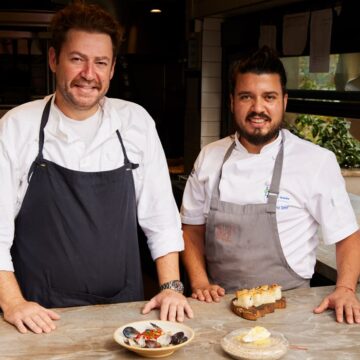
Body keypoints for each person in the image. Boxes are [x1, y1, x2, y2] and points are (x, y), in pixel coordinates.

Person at [0, 2, 193, 334]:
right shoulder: (18, 126)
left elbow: (161, 217)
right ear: (53, 60)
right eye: (77, 59)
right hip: (42, 317)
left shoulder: (136, 123)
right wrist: (13, 302)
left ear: (113, 68)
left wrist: (170, 287)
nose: (89, 74)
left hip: (124, 312)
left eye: (100, 62)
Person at [180, 46, 360, 324]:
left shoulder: (316, 161)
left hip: (292, 308)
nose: (258, 108)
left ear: (284, 102)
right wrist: (200, 282)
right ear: (232, 102)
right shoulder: (210, 157)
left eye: (269, 97)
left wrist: (346, 289)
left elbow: (348, 235)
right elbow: (191, 229)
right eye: (246, 97)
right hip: (217, 304)